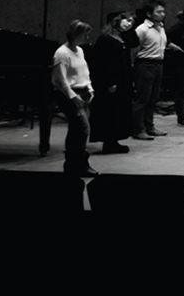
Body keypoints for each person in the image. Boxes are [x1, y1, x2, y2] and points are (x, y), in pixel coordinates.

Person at [52, 19, 97, 177]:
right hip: (71, 95)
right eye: (85, 34)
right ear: (76, 34)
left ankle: (72, 165)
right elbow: (60, 80)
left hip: (83, 92)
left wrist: (90, 88)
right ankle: (80, 163)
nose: (87, 37)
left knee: (75, 130)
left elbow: (85, 72)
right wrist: (72, 96)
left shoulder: (79, 50)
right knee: (83, 129)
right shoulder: (62, 53)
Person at [87, 10, 137, 154]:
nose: (129, 24)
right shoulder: (105, 38)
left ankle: (114, 139)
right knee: (110, 111)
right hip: (111, 80)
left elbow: (135, 42)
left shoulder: (122, 37)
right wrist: (110, 82)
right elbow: (102, 62)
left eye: (131, 22)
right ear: (116, 21)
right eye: (126, 20)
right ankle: (109, 141)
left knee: (119, 110)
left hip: (123, 78)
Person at [132, 0, 176, 140]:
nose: (162, 14)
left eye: (163, 12)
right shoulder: (142, 29)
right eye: (158, 12)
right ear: (149, 14)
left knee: (153, 98)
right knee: (143, 98)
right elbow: (134, 49)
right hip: (145, 64)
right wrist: (133, 66)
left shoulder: (161, 27)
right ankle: (138, 129)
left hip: (158, 64)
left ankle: (149, 126)